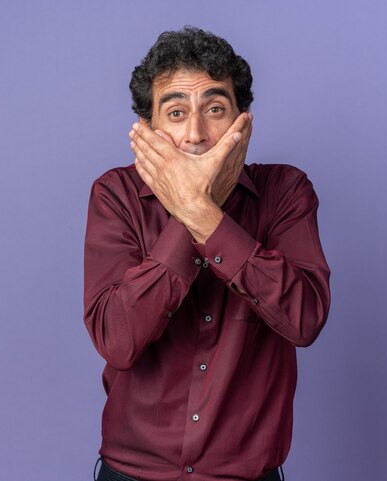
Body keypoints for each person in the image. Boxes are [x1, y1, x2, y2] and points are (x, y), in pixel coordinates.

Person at [83, 26, 331, 481]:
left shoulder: (285, 193)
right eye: (175, 112)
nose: (195, 133)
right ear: (148, 130)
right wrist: (195, 210)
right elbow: (117, 338)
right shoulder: (115, 195)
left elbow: (305, 318)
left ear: (244, 120)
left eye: (215, 108)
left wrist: (203, 215)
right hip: (132, 472)